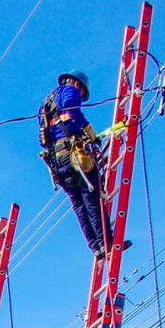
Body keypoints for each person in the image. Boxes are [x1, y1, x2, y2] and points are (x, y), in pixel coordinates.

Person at [38, 70, 131, 260]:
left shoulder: (45, 106)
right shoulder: (69, 91)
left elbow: (43, 139)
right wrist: (90, 133)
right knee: (92, 198)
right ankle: (106, 243)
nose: (80, 96)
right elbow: (73, 113)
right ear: (77, 84)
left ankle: (95, 248)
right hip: (75, 156)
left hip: (57, 162)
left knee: (79, 206)